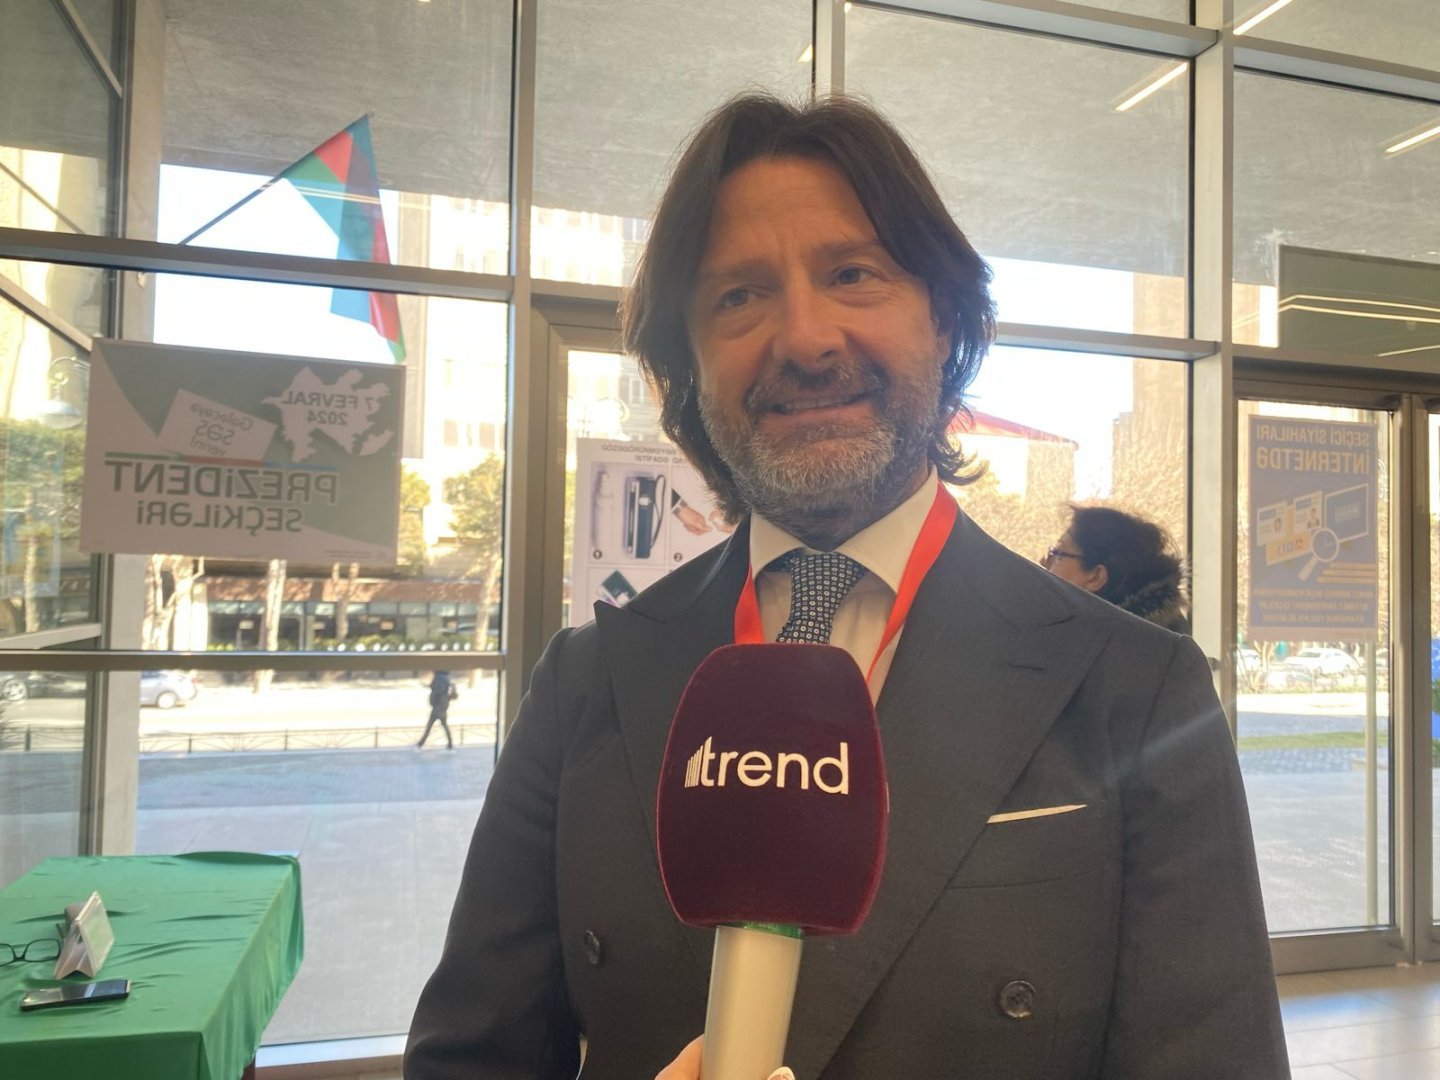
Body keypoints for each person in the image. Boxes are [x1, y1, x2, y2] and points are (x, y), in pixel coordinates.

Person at [406, 93, 1287, 1079]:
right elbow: (469, 1058)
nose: (805, 337)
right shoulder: (587, 681)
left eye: (853, 274)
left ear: (943, 318)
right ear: (687, 362)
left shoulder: (1137, 687)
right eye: (738, 296)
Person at [1042, 504, 1191, 633]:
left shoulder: (1097, 646)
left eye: (1058, 554)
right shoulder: (1164, 638)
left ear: (1095, 577)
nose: (1044, 563)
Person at [417, 670, 456, 749]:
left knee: (430, 726)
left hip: (437, 708)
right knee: (443, 726)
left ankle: (421, 743)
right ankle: (450, 743)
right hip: (442, 707)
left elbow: (436, 689)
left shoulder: (439, 678)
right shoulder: (446, 679)